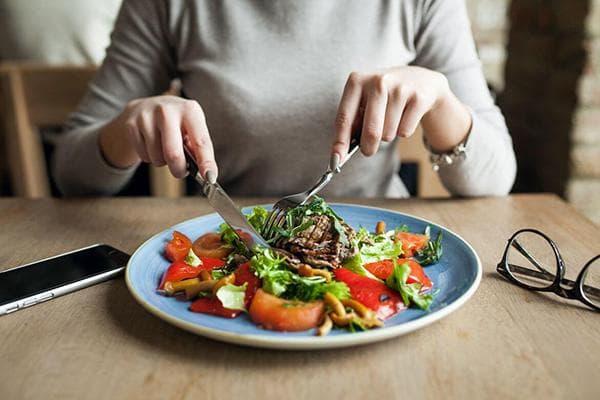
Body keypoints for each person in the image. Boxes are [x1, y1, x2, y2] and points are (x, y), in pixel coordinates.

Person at [52, 0, 516, 197]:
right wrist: (129, 128)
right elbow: (72, 173)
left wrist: (440, 102)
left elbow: (497, 178)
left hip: (376, 256)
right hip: (226, 253)